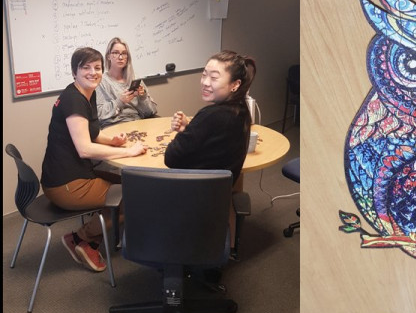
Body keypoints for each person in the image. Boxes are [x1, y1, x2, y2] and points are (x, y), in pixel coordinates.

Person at [41, 47, 147, 272]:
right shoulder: (73, 100)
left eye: (97, 68)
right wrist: (128, 152)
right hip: (66, 185)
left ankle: (88, 239)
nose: (93, 72)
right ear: (74, 72)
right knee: (135, 198)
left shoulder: (88, 93)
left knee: (129, 184)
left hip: (72, 174)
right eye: (86, 68)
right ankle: (79, 238)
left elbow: (93, 134)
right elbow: (85, 149)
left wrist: (113, 142)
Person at [164, 50, 256, 258]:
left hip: (192, 197)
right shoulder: (240, 111)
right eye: (204, 74)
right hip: (215, 197)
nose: (205, 82)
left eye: (214, 78)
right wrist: (192, 128)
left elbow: (170, 158)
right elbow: (215, 142)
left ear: (235, 85)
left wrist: (186, 132)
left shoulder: (211, 115)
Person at [96, 37, 158, 128]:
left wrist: (143, 97)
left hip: (137, 123)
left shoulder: (134, 78)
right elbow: (99, 114)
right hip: (114, 126)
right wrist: (120, 101)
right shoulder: (101, 81)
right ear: (108, 56)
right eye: (116, 53)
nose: (120, 57)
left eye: (124, 53)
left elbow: (151, 112)